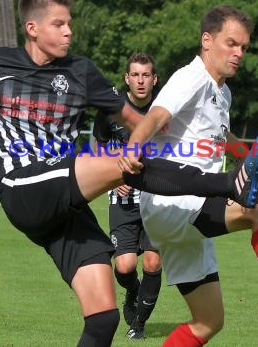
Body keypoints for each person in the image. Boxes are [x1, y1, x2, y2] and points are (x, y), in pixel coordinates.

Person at [0, 0, 258, 346]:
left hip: (65, 199)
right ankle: (229, 184)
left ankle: (229, 183)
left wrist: (169, 124)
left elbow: (136, 119)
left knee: (103, 316)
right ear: (32, 28)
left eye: (70, 23)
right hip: (20, 184)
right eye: (59, 24)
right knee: (124, 164)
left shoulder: (81, 71)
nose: (69, 31)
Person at [120, 5, 258, 346]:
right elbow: (153, 117)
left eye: (244, 47)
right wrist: (134, 146)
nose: (239, 53)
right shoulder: (190, 77)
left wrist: (253, 159)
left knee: (208, 322)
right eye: (231, 44)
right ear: (207, 41)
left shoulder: (221, 91)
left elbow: (223, 139)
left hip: (188, 216)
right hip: (175, 201)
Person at [93, 52, 162, 340]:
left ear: (154, 79)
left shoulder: (164, 110)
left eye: (146, 75)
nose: (141, 80)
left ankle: (139, 325)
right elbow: (97, 146)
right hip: (122, 200)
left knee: (152, 262)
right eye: (135, 74)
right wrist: (113, 175)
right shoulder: (112, 110)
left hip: (158, 200)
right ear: (127, 78)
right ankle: (132, 291)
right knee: (124, 266)